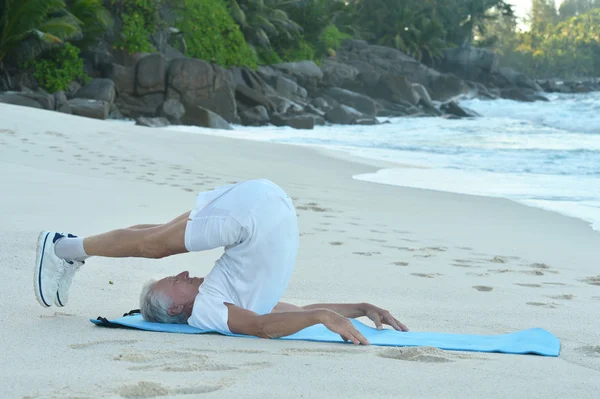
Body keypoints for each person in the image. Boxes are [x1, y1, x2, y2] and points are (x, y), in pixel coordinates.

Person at [34, 179, 408, 345]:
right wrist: (359, 307)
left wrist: (323, 318)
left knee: (157, 240)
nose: (184, 272)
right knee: (156, 239)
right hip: (264, 203)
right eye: (174, 281)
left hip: (255, 215)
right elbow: (275, 321)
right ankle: (64, 248)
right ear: (178, 306)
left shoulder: (212, 307)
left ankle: (65, 249)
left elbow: (267, 325)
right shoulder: (212, 310)